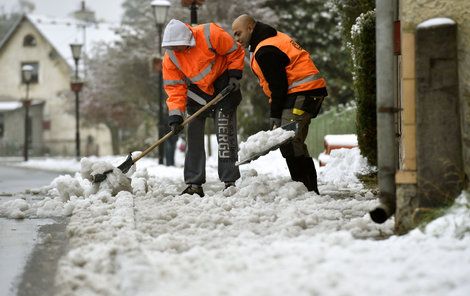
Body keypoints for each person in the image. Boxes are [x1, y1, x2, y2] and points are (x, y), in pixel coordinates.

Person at [232, 15, 327, 194]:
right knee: (294, 142)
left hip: (303, 92)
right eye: (234, 36)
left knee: (289, 141)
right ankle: (308, 190)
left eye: (239, 33)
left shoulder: (265, 49)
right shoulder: (270, 40)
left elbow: (279, 85)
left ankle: (306, 190)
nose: (237, 39)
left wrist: (275, 114)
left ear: (251, 28)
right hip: (306, 92)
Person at [161, 19, 245, 197]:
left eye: (179, 47)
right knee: (193, 137)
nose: (176, 51)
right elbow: (175, 89)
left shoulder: (210, 34)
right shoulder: (171, 58)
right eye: (173, 48)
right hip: (196, 94)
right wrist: (176, 116)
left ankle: (230, 181)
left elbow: (235, 51)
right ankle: (194, 183)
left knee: (225, 135)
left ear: (188, 40)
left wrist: (235, 75)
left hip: (223, 87)